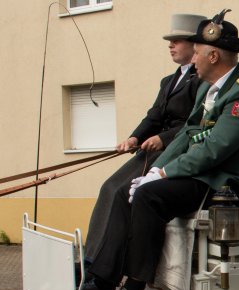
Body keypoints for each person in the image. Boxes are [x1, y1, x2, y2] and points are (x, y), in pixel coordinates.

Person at [81, 9, 239, 290]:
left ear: (213, 55)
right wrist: (154, 171)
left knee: (149, 197)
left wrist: (164, 173)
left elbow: (214, 149)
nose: (192, 59)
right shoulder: (213, 89)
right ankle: (103, 280)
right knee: (125, 191)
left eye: (196, 53)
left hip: (233, 185)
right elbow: (186, 135)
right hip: (209, 176)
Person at [83, 14, 204, 263]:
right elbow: (155, 115)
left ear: (195, 45)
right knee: (109, 188)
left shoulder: (200, 79)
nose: (170, 45)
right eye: (170, 41)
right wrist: (134, 137)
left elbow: (196, 121)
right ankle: (90, 260)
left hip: (173, 151)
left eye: (177, 40)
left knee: (121, 193)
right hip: (152, 148)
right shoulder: (169, 81)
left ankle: (104, 266)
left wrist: (163, 138)